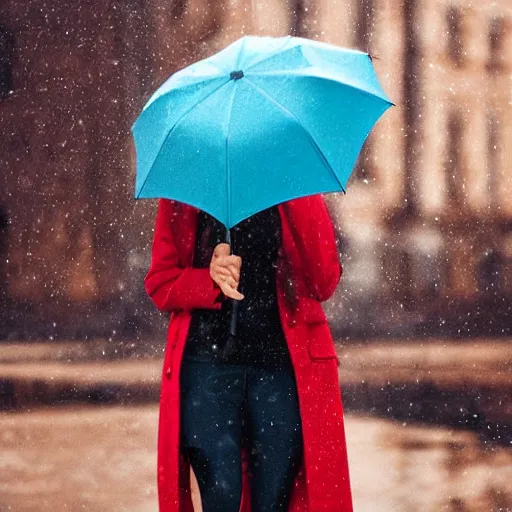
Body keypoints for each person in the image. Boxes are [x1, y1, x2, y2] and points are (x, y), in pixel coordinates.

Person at [145, 194, 354, 512]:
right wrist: (209, 278)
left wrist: (295, 190)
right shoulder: (187, 185)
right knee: (221, 500)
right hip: (206, 368)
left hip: (280, 369)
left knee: (273, 503)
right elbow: (161, 282)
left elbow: (324, 281)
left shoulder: (291, 173)